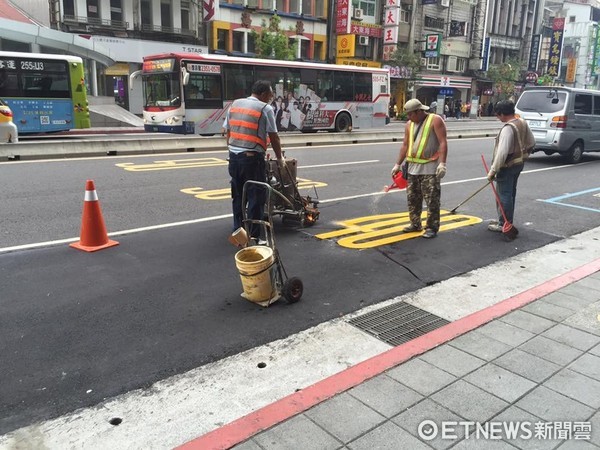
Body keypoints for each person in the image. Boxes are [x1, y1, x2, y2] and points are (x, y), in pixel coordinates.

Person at [223, 80, 286, 242]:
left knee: (237, 195)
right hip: (252, 159)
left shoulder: (235, 104)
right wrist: (280, 159)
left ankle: (238, 232)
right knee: (256, 196)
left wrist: (233, 149)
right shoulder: (265, 109)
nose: (271, 98)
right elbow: (274, 136)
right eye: (270, 95)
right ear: (264, 94)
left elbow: (227, 130)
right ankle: (255, 235)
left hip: (234, 158)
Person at [391, 99, 448, 239]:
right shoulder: (409, 124)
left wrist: (442, 163)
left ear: (419, 111)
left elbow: (442, 142)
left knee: (432, 200)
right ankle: (415, 224)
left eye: (410, 114)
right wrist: (397, 164)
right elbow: (405, 145)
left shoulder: (435, 120)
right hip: (412, 169)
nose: (408, 117)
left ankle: (432, 227)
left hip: (430, 168)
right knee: (413, 199)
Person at [486, 100, 535, 234]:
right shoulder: (522, 122)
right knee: (511, 193)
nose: (497, 117)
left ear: (502, 114)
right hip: (518, 165)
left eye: (497, 115)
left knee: (504, 195)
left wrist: (492, 171)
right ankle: (507, 221)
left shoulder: (508, 128)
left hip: (506, 167)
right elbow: (532, 142)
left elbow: (502, 153)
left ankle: (504, 223)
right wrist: (524, 155)